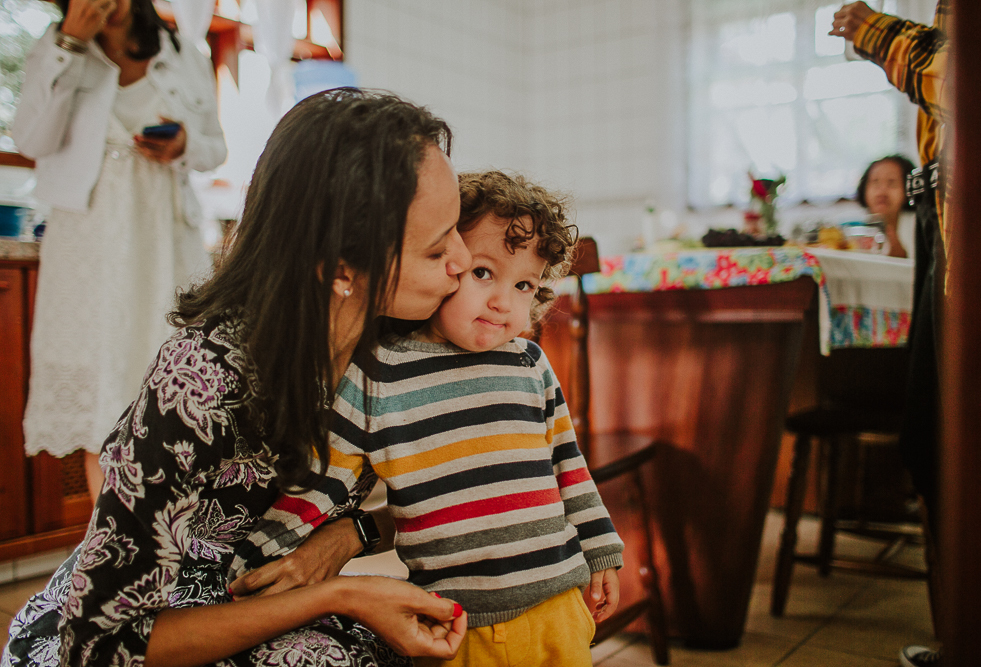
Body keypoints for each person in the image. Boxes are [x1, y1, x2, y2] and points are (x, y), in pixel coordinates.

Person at [2, 89, 474, 667]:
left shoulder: (393, 347)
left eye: (456, 229)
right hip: (146, 632)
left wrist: (352, 536)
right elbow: (103, 646)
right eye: (435, 249)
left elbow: (458, 490)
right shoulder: (200, 382)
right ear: (341, 267)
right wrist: (341, 594)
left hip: (267, 601)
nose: (461, 260)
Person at [230, 171, 624, 667]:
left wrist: (602, 548)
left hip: (559, 608)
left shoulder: (529, 364)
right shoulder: (379, 373)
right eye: (483, 272)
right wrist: (261, 555)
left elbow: (569, 467)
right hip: (454, 624)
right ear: (447, 262)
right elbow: (323, 481)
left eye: (524, 284)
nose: (503, 301)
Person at [12, 0, 228, 500]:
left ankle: (179, 543)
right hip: (90, 243)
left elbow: (215, 147)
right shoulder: (55, 49)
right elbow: (29, 138)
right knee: (105, 390)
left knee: (171, 376)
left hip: (165, 235)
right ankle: (108, 552)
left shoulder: (181, 52)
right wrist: (68, 43)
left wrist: (184, 145)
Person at [831, 3, 949, 666]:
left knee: (936, 429)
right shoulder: (863, 231)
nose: (883, 191)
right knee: (928, 427)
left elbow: (952, 69)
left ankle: (963, 619)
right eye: (874, 182)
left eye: (892, 181)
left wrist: (876, 30)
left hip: (946, 245)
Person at [856, 155, 917, 258]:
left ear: (909, 189)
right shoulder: (854, 229)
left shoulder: (920, 229)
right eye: (875, 182)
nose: (881, 192)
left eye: (892, 182)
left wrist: (901, 259)